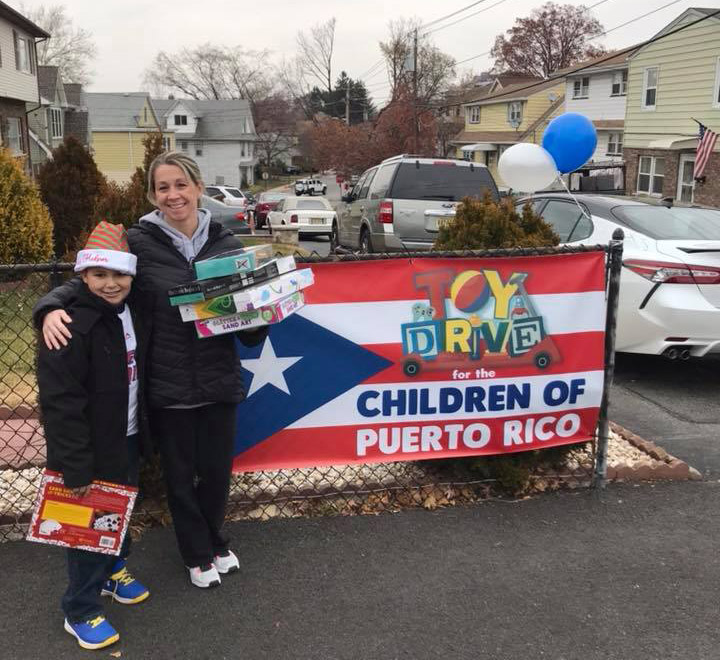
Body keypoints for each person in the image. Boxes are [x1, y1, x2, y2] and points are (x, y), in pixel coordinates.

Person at [34, 152, 267, 591]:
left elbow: (251, 331)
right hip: (167, 381)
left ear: (199, 188)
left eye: (181, 184)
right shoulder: (139, 242)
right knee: (181, 476)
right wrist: (48, 307)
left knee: (217, 473)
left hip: (219, 378)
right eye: (163, 187)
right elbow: (86, 280)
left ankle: (216, 541)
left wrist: (263, 312)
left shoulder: (229, 245)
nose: (173, 195)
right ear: (152, 195)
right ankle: (196, 554)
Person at [37, 222, 150, 650]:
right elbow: (61, 403)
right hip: (88, 449)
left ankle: (111, 571)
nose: (110, 283)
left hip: (128, 435)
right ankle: (79, 608)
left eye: (118, 274)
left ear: (131, 276)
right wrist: (74, 465)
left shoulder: (132, 310)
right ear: (83, 276)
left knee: (118, 510)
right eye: (99, 275)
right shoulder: (68, 325)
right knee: (86, 528)